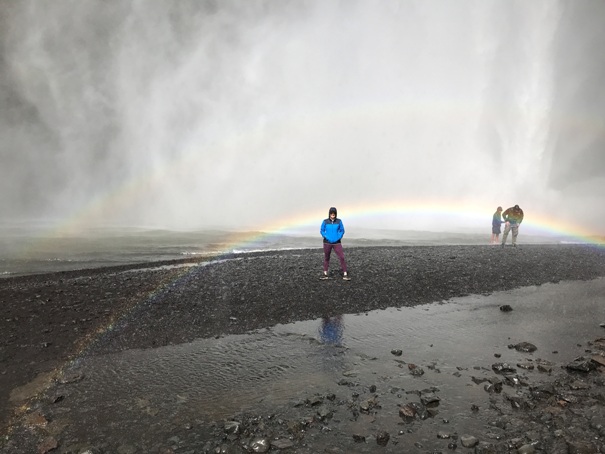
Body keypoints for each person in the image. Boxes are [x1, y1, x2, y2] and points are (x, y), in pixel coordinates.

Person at [320, 207, 350, 280]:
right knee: (327, 258)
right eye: (331, 214)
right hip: (327, 242)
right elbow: (322, 230)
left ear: (335, 214)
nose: (332, 215)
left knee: (342, 257)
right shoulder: (325, 221)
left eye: (334, 214)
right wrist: (326, 237)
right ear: (329, 214)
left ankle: (345, 274)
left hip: (337, 243)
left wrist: (338, 237)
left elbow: (342, 230)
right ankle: (325, 274)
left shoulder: (339, 221)